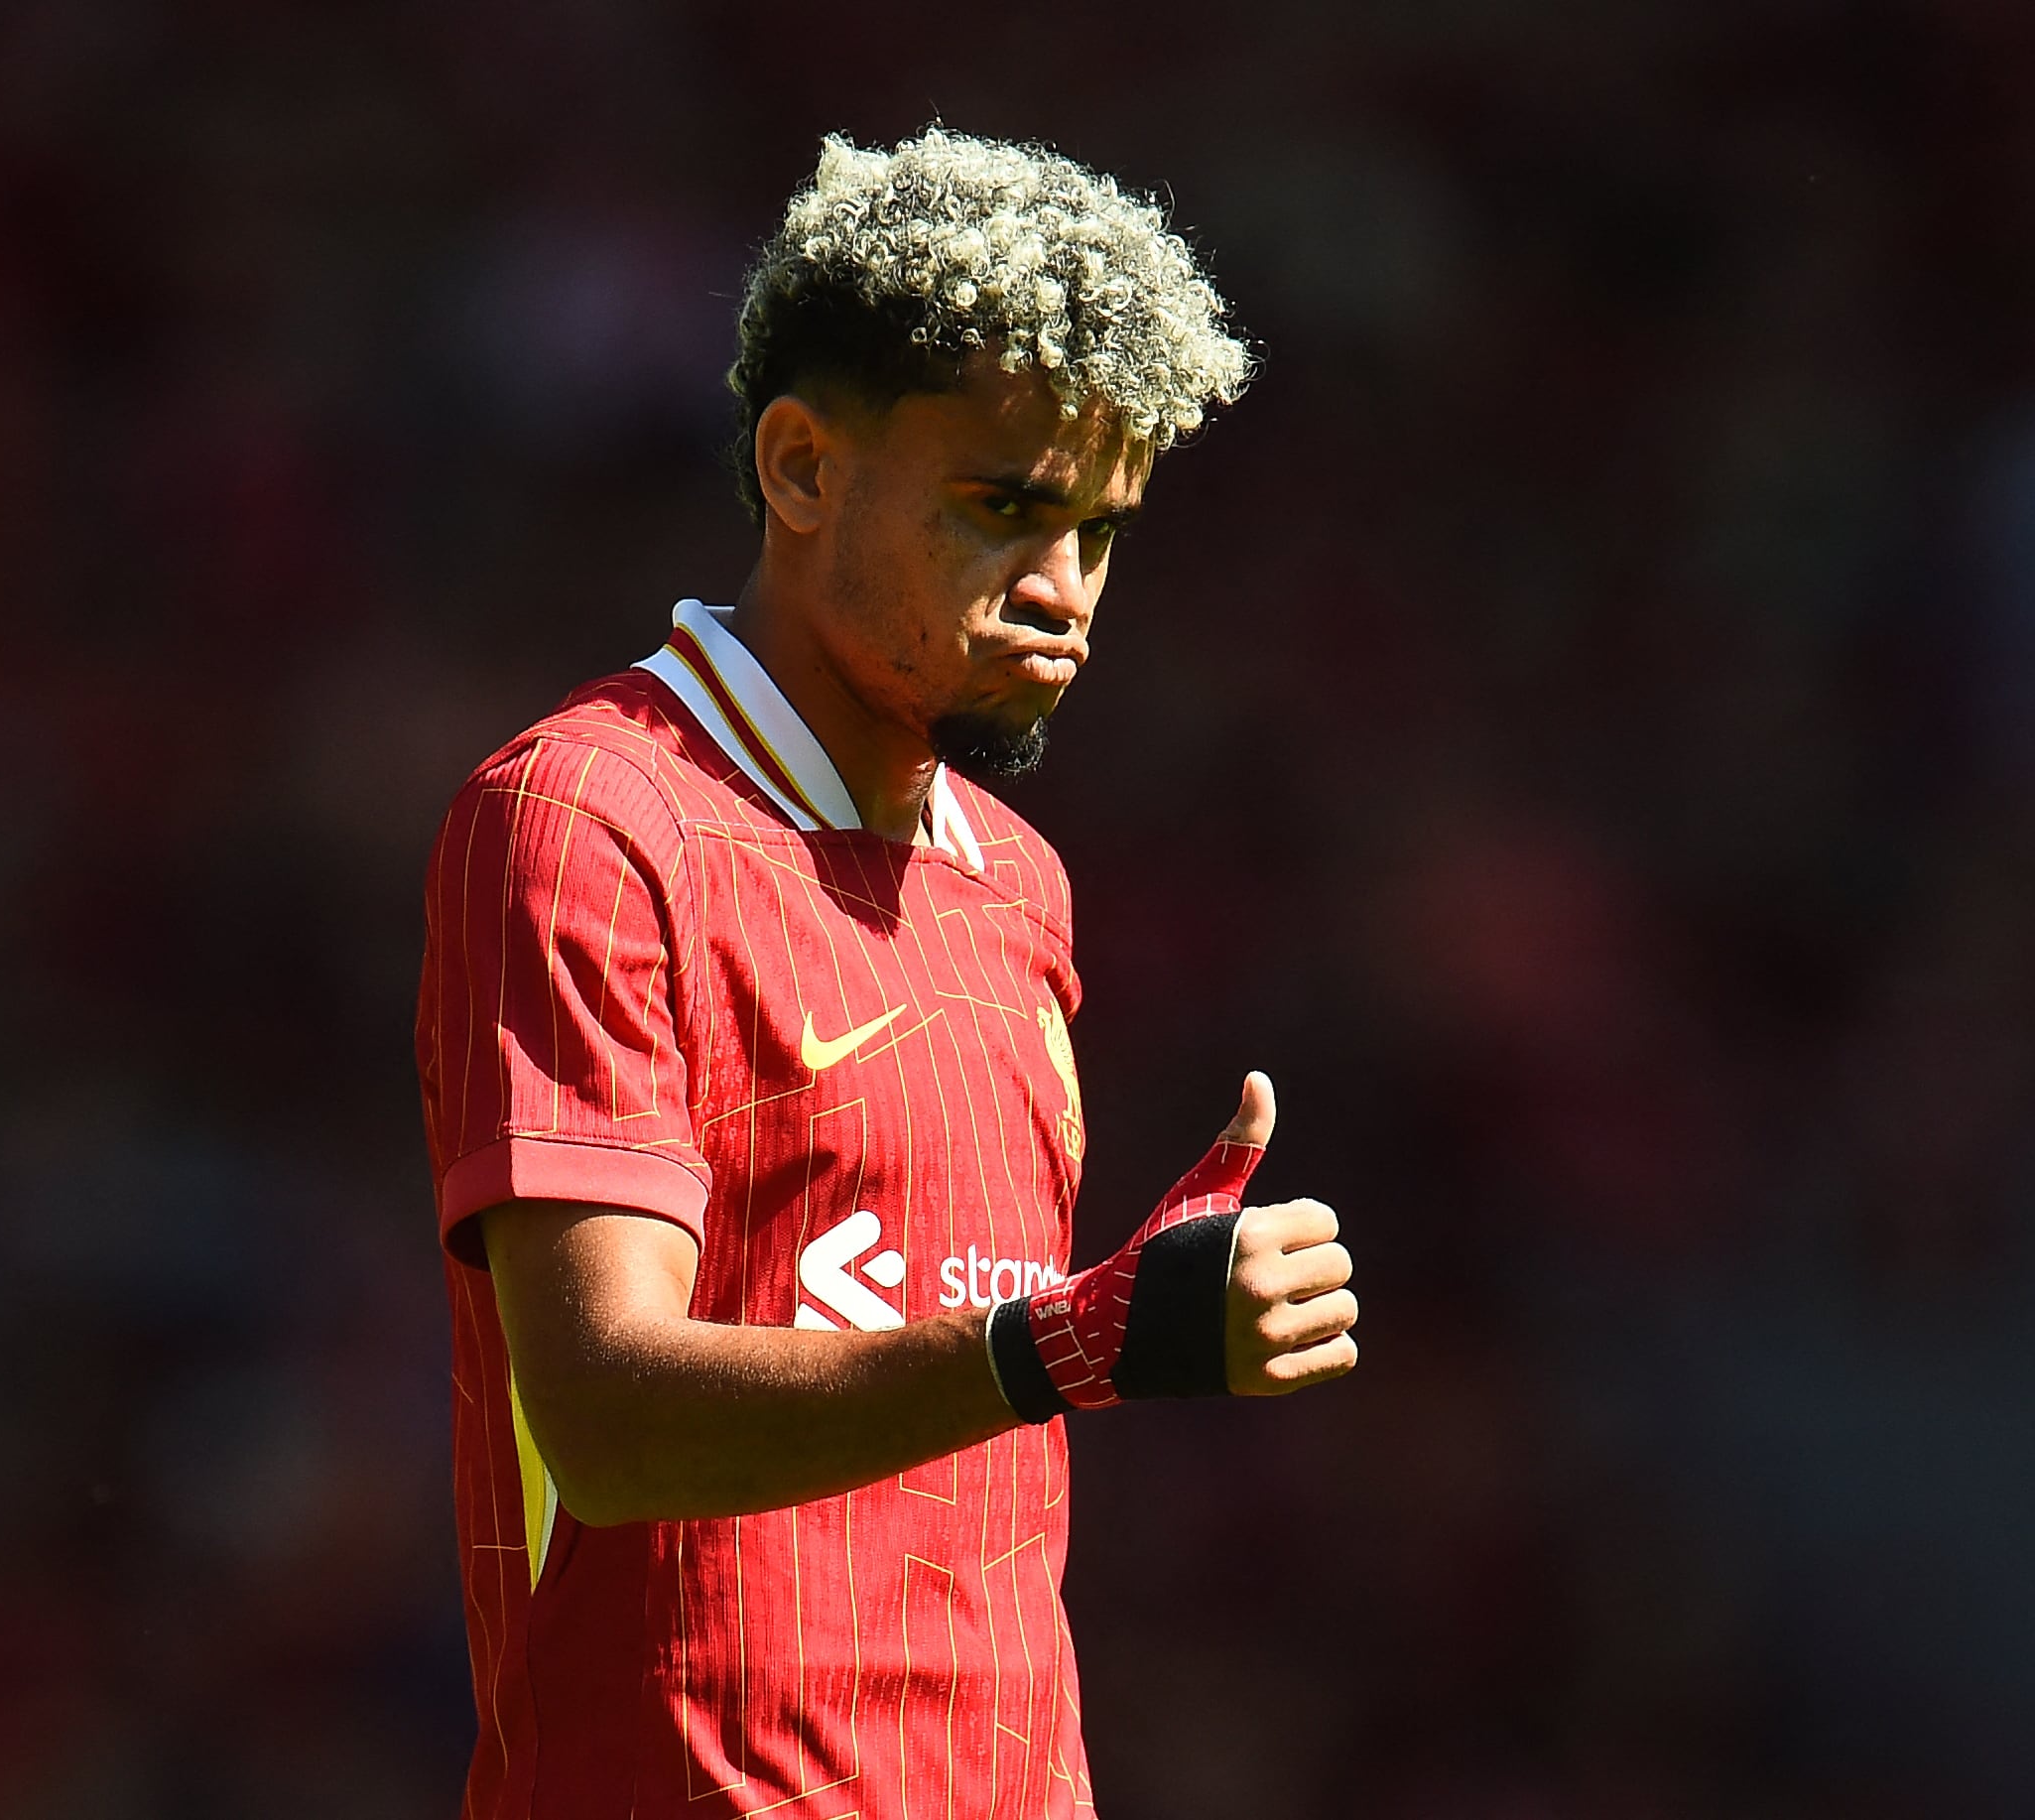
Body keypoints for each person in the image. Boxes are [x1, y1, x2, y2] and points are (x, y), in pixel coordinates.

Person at [414, 129, 1360, 1819]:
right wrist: (1056, 1344)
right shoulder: (585, 814)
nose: (1064, 589)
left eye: (1101, 526)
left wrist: (1086, 1340)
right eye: (1004, 506)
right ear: (798, 467)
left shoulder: (1021, 888)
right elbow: (611, 1418)